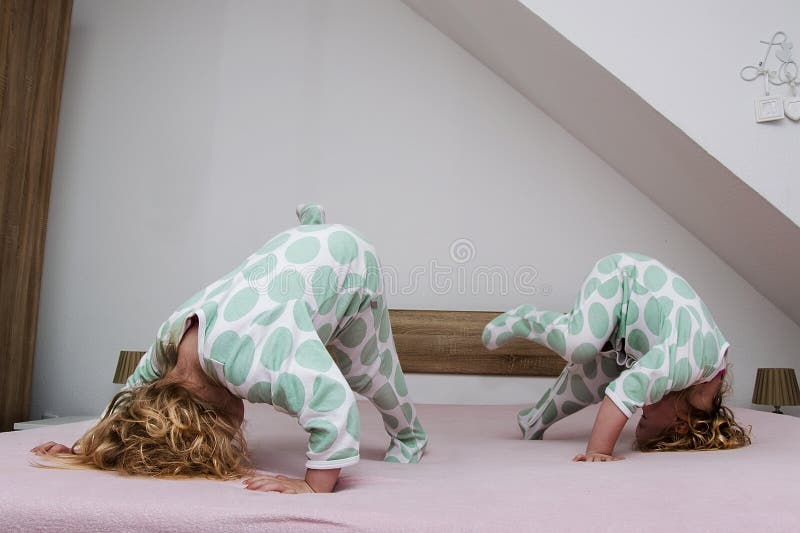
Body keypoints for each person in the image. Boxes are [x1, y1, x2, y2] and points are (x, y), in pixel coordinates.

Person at [32, 204, 428, 492]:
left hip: (350, 261)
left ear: (215, 416)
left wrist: (312, 486)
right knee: (306, 338)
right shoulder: (169, 345)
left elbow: (333, 402)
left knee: (368, 371)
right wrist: (89, 442)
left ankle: (411, 438)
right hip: (295, 245)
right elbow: (130, 397)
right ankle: (313, 226)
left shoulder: (253, 363)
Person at [482, 252, 750, 461]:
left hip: (627, 338)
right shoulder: (684, 362)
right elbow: (624, 392)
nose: (640, 410)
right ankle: (524, 319)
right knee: (580, 345)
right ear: (680, 425)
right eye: (645, 418)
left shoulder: (699, 381)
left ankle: (532, 421)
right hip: (623, 277)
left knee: (591, 383)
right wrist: (599, 450)